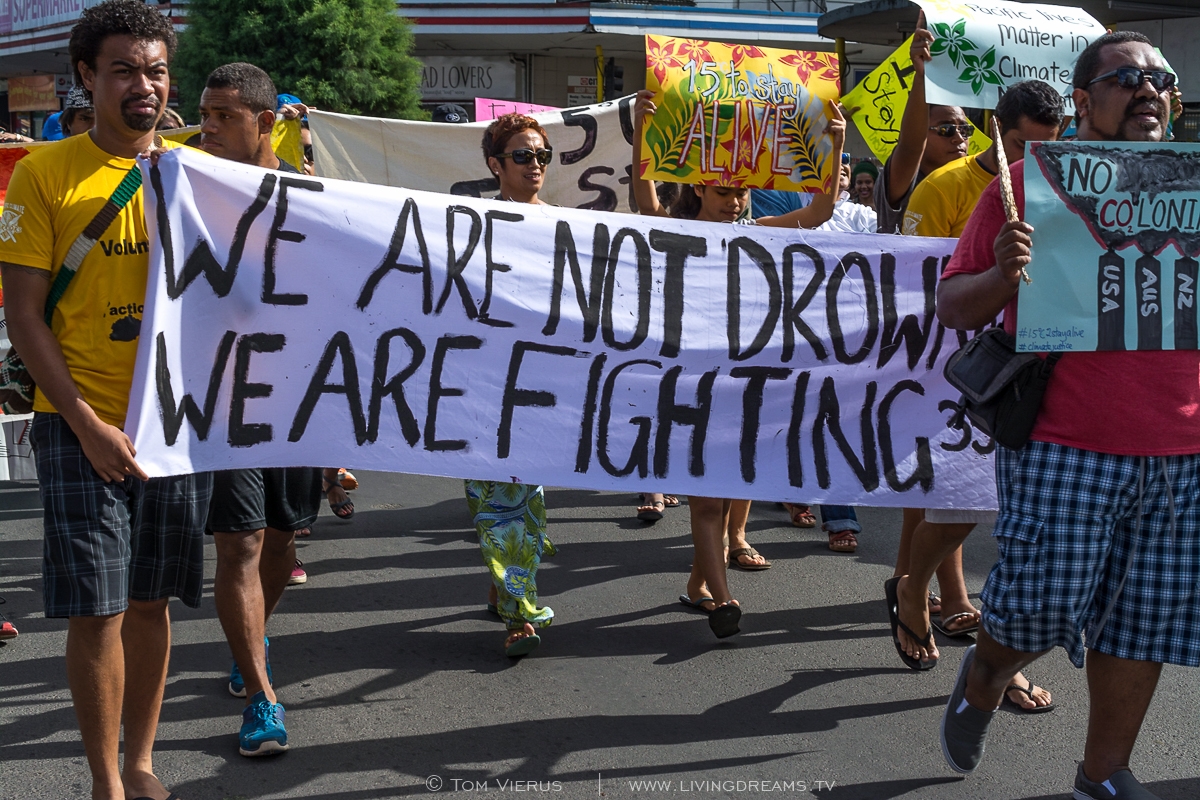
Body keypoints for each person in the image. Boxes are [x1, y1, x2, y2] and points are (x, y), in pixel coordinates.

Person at [936, 32, 1197, 798]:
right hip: (1064, 442)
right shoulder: (1026, 184)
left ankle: (1103, 774)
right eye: (1125, 78)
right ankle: (985, 677)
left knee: (1142, 624)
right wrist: (1001, 274)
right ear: (1082, 101)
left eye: (1160, 78)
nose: (1147, 88)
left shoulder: (1197, 193)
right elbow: (953, 304)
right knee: (1034, 609)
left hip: (1182, 450)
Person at [0, 3, 212, 799]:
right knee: (100, 608)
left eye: (155, 70)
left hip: (175, 427)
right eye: (123, 70)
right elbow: (24, 315)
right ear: (86, 77)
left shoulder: (200, 174)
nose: (143, 86)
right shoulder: (44, 173)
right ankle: (104, 782)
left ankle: (142, 761)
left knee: (154, 601)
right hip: (77, 425)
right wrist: (86, 425)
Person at [633, 88, 845, 636]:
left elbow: (820, 211)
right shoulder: (677, 231)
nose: (735, 202)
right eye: (725, 191)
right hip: (689, 383)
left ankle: (698, 584)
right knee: (706, 495)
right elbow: (643, 200)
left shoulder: (758, 235)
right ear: (701, 187)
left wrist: (836, 143)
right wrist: (642, 135)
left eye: (743, 193)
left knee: (734, 486)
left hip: (748, 383)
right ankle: (723, 600)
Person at [887, 80, 1064, 715]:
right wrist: (992, 268)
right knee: (961, 498)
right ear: (998, 129)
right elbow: (910, 278)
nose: (1033, 163)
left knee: (1011, 521)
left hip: (1034, 371)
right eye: (1021, 146)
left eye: (1050, 146)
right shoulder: (945, 188)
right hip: (951, 363)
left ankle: (994, 650)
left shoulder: (1068, 185)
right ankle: (916, 591)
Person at [197, 61, 325, 757]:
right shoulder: (187, 186)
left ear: (266, 122)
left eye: (224, 116)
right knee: (239, 542)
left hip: (298, 398)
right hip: (222, 399)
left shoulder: (313, 198)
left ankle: (252, 635)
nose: (207, 128)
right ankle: (261, 695)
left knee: (281, 539)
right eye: (204, 114)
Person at [470, 112, 559, 657]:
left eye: (542, 156)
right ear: (495, 165)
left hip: (545, 387)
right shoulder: (473, 223)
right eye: (523, 156)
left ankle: (506, 584)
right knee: (500, 500)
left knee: (529, 499)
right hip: (483, 386)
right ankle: (520, 613)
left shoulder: (564, 225)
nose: (535, 166)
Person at [874, 13, 973, 234]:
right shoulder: (904, 182)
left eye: (965, 130)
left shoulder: (976, 180)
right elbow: (910, 147)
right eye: (946, 129)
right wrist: (921, 77)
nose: (959, 138)